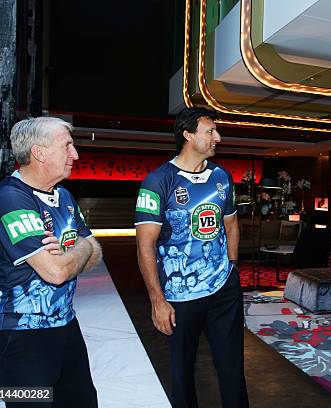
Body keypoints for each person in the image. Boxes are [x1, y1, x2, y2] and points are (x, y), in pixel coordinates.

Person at [0, 117, 101, 407]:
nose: (75, 154)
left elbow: (95, 253)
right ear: (39, 152)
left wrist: (75, 250)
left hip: (63, 325)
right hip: (13, 335)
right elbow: (57, 272)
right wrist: (79, 249)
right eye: (67, 146)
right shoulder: (7, 197)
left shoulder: (64, 196)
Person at [135, 107, 247, 408]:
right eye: (210, 131)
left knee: (232, 367)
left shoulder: (221, 177)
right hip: (180, 296)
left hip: (224, 289)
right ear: (187, 135)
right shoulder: (159, 181)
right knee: (182, 371)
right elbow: (145, 245)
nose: (217, 138)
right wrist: (157, 301)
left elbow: (231, 223)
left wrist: (232, 267)